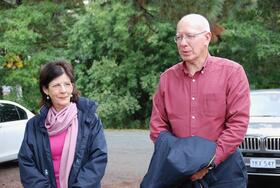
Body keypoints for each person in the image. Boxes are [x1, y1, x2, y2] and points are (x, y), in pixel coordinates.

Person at [149, 14, 250, 187]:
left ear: (207, 37)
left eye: (189, 36)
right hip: (181, 172)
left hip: (225, 172)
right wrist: (182, 161)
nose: (183, 43)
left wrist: (209, 162)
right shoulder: (167, 79)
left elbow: (237, 125)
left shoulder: (232, 73)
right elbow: (158, 128)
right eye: (179, 37)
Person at [18, 60, 107, 188]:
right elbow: (27, 163)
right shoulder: (34, 125)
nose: (63, 90)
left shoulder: (90, 119)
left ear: (72, 86)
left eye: (67, 84)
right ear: (46, 90)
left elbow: (98, 158)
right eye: (56, 85)